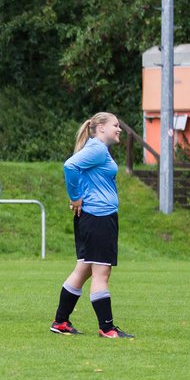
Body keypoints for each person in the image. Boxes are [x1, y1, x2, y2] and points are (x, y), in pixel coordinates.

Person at [50, 112, 135, 339]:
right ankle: (107, 328)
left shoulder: (97, 149)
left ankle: (60, 322)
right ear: (100, 128)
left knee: (84, 269)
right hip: (98, 217)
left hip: (94, 216)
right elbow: (70, 166)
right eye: (115, 125)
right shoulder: (97, 149)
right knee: (101, 272)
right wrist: (75, 196)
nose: (119, 129)